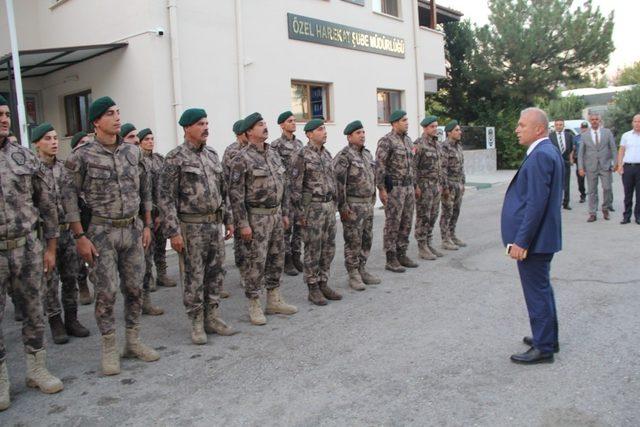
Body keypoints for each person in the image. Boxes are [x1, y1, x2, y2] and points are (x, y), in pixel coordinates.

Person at [62, 96, 160, 375]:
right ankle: (109, 348)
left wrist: (147, 222)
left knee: (135, 287)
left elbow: (146, 187)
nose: (117, 118)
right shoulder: (82, 155)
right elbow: (68, 198)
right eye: (109, 114)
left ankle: (133, 341)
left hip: (132, 229)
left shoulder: (133, 152)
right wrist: (80, 236)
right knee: (106, 292)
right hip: (100, 233)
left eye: (118, 113)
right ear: (95, 122)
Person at [0, 95, 64, 410]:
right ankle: (1, 380)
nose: (3, 119)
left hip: (27, 248)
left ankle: (36, 369)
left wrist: (50, 247)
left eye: (5, 113)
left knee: (34, 311)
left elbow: (46, 204)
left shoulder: (24, 158)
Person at [159, 108, 236, 344]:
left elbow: (223, 191)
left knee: (216, 272)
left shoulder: (212, 155)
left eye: (206, 122)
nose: (206, 127)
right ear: (187, 128)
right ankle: (196, 322)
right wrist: (173, 232)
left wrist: (229, 219)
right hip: (191, 227)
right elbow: (166, 197)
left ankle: (212, 317)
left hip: (214, 224)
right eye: (200, 124)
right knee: (194, 275)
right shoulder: (175, 158)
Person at [501, 107, 562, 364]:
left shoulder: (540, 156)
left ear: (538, 129)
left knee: (536, 292)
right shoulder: (547, 151)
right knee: (543, 289)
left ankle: (543, 348)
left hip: (534, 241)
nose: (517, 129)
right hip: (542, 237)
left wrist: (521, 241)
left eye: (521, 125)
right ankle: (547, 337)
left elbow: (535, 204)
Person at [228, 112, 298, 324]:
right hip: (256, 217)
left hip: (276, 215)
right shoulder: (241, 159)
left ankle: (274, 299)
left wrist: (285, 213)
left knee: (277, 258)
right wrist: (242, 224)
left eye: (265, 123)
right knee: (256, 262)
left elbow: (283, 185)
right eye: (260, 125)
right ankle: (254, 304)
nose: (265, 127)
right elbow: (236, 195)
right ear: (249, 131)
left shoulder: (273, 154)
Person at [32, 123, 91, 345]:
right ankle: (55, 321)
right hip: (45, 236)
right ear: (37, 143)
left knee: (71, 277)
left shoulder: (65, 168)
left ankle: (72, 319)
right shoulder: (31, 171)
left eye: (56, 138)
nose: (54, 142)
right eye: (48, 138)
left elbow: (76, 200)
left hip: (68, 232)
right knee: (49, 280)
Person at [120, 124, 164, 316]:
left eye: (137, 139)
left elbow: (149, 194)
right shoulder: (117, 164)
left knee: (145, 261)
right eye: (132, 138)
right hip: (116, 225)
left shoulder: (142, 164)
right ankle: (130, 305)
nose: (137, 142)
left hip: (140, 220)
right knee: (125, 270)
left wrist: (149, 220)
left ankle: (145, 301)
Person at [333, 120, 380, 291]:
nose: (362, 135)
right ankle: (353, 274)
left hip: (367, 205)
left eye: (363, 132)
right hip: (353, 206)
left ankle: (362, 269)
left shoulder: (367, 154)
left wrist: (373, 199)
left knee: (366, 239)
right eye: (358, 133)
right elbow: (339, 185)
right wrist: (343, 208)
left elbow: (372, 177)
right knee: (353, 241)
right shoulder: (344, 157)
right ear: (349, 136)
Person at [376, 110, 419, 271]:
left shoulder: (408, 141)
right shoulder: (386, 141)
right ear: (394, 124)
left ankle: (402, 253)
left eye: (407, 120)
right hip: (395, 188)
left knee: (406, 222)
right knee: (393, 223)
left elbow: (412, 166)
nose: (407, 122)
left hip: (408, 187)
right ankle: (391, 257)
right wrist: (381, 189)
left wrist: (415, 185)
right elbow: (380, 166)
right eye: (403, 120)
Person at [271, 111, 304, 276]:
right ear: (282, 125)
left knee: (299, 225)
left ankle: (297, 255)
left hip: (299, 192)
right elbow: (276, 170)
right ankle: (287, 259)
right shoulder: (275, 146)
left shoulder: (299, 144)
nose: (293, 123)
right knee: (286, 227)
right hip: (286, 193)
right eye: (289, 121)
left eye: (294, 120)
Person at [413, 115, 446, 258]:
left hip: (436, 186)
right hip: (424, 185)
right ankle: (422, 246)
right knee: (423, 216)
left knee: (433, 215)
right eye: (432, 127)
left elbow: (441, 166)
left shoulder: (438, 145)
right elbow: (413, 167)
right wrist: (416, 186)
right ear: (425, 128)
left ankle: (429, 243)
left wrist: (443, 185)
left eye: (436, 126)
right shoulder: (419, 144)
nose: (435, 129)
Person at [222, 120, 248, 292]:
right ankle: (244, 271)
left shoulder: (252, 149)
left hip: (251, 200)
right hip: (236, 199)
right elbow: (226, 180)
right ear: (240, 133)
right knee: (241, 239)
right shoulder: (232, 151)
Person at [577, 112, 618, 222]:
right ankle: (592, 213)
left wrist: (616, 163)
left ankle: (605, 208)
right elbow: (580, 153)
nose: (594, 121)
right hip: (591, 167)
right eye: (592, 119)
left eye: (596, 119)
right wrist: (580, 167)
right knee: (592, 191)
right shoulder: (585, 135)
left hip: (605, 165)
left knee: (607, 188)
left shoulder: (607, 132)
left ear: (600, 121)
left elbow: (613, 149)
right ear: (590, 121)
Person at [69, 131, 94, 305]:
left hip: (90, 216)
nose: (86, 145)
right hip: (74, 219)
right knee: (78, 255)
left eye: (88, 142)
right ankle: (82, 284)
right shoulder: (72, 165)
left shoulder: (93, 163)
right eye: (82, 142)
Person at [439, 120, 467, 249]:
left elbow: (461, 167)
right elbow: (442, 169)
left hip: (458, 183)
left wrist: (463, 183)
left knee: (456, 211)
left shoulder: (458, 146)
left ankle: (452, 234)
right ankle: (445, 239)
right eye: (456, 130)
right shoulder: (444, 147)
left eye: (459, 129)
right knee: (447, 212)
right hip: (449, 184)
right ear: (449, 133)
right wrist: (444, 187)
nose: (459, 132)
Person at [616, 114, 640, 224]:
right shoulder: (626, 135)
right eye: (635, 121)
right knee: (628, 194)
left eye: (639, 121)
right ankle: (626, 216)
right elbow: (621, 151)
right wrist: (620, 165)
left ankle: (638, 216)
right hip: (628, 168)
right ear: (632, 123)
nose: (637, 123)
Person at [549, 118, 575, 209]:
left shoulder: (569, 136)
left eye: (561, 124)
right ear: (555, 126)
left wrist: (571, 159)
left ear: (563, 126)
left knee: (566, 183)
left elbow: (571, 148)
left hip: (566, 162)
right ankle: (556, 202)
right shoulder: (550, 136)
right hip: (555, 162)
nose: (559, 126)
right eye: (557, 125)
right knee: (555, 183)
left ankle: (566, 203)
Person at [574, 122, 589, 203]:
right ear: (581, 128)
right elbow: (573, 148)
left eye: (585, 127)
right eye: (583, 128)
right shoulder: (576, 138)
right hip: (579, 161)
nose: (584, 129)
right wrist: (572, 159)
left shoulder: (591, 137)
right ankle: (582, 194)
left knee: (592, 178)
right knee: (580, 179)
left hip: (590, 160)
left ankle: (592, 194)